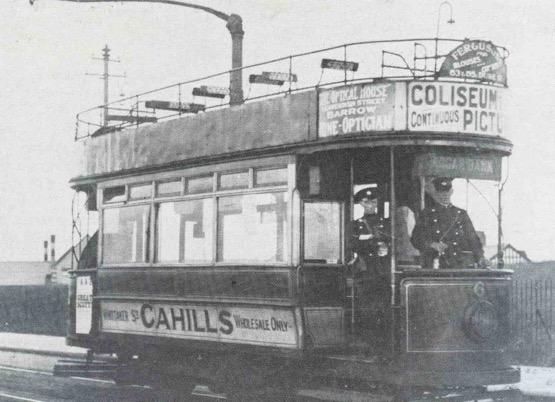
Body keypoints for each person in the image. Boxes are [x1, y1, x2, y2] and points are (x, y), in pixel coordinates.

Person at [410, 177, 488, 269]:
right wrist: (432, 244)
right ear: (436, 192)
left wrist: (480, 257)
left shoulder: (461, 214)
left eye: (447, 191)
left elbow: (473, 239)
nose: (445, 195)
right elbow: (415, 239)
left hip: (458, 265)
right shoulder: (427, 214)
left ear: (452, 191)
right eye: (441, 192)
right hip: (435, 266)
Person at [348, 187, 390, 350]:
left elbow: (393, 242)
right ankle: (368, 346)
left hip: (382, 272)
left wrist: (387, 248)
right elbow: (351, 243)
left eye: (373, 201)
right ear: (360, 203)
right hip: (364, 273)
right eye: (366, 202)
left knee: (383, 309)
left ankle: (382, 345)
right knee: (366, 310)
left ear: (377, 203)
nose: (370, 205)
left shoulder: (386, 223)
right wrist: (370, 242)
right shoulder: (355, 225)